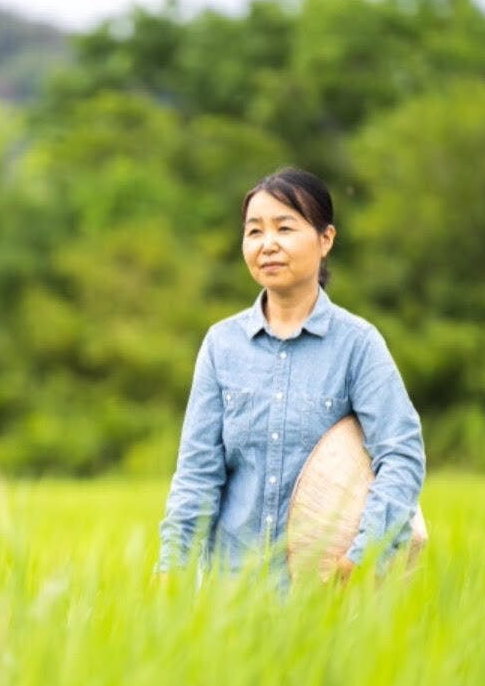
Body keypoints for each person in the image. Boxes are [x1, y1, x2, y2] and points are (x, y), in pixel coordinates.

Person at [156, 167, 425, 585]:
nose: (268, 245)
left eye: (285, 228)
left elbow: (402, 456)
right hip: (231, 596)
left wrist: (361, 557)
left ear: (326, 239)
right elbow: (197, 475)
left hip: (326, 593)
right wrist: (172, 568)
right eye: (254, 231)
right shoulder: (222, 345)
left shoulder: (357, 344)